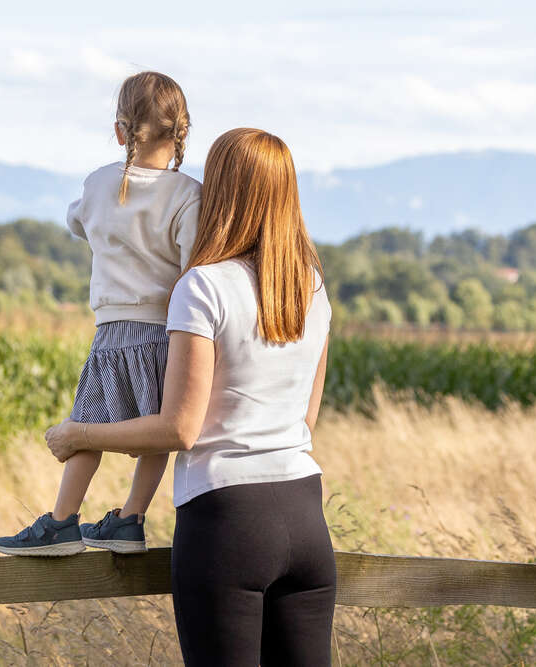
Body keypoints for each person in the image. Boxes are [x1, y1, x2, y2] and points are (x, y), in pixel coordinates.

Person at [45, 128, 335, 665]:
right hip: (305, 512)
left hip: (228, 519)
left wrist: (77, 434)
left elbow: (180, 429)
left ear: (219, 192)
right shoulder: (311, 288)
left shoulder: (203, 287)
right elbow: (306, 418)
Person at [0, 71, 200, 557]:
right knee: (157, 427)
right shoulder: (189, 193)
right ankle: (130, 518)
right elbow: (194, 264)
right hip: (168, 329)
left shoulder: (100, 183)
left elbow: (76, 220)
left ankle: (62, 522)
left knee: (88, 421)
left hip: (112, 329)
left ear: (120, 131)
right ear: (181, 133)